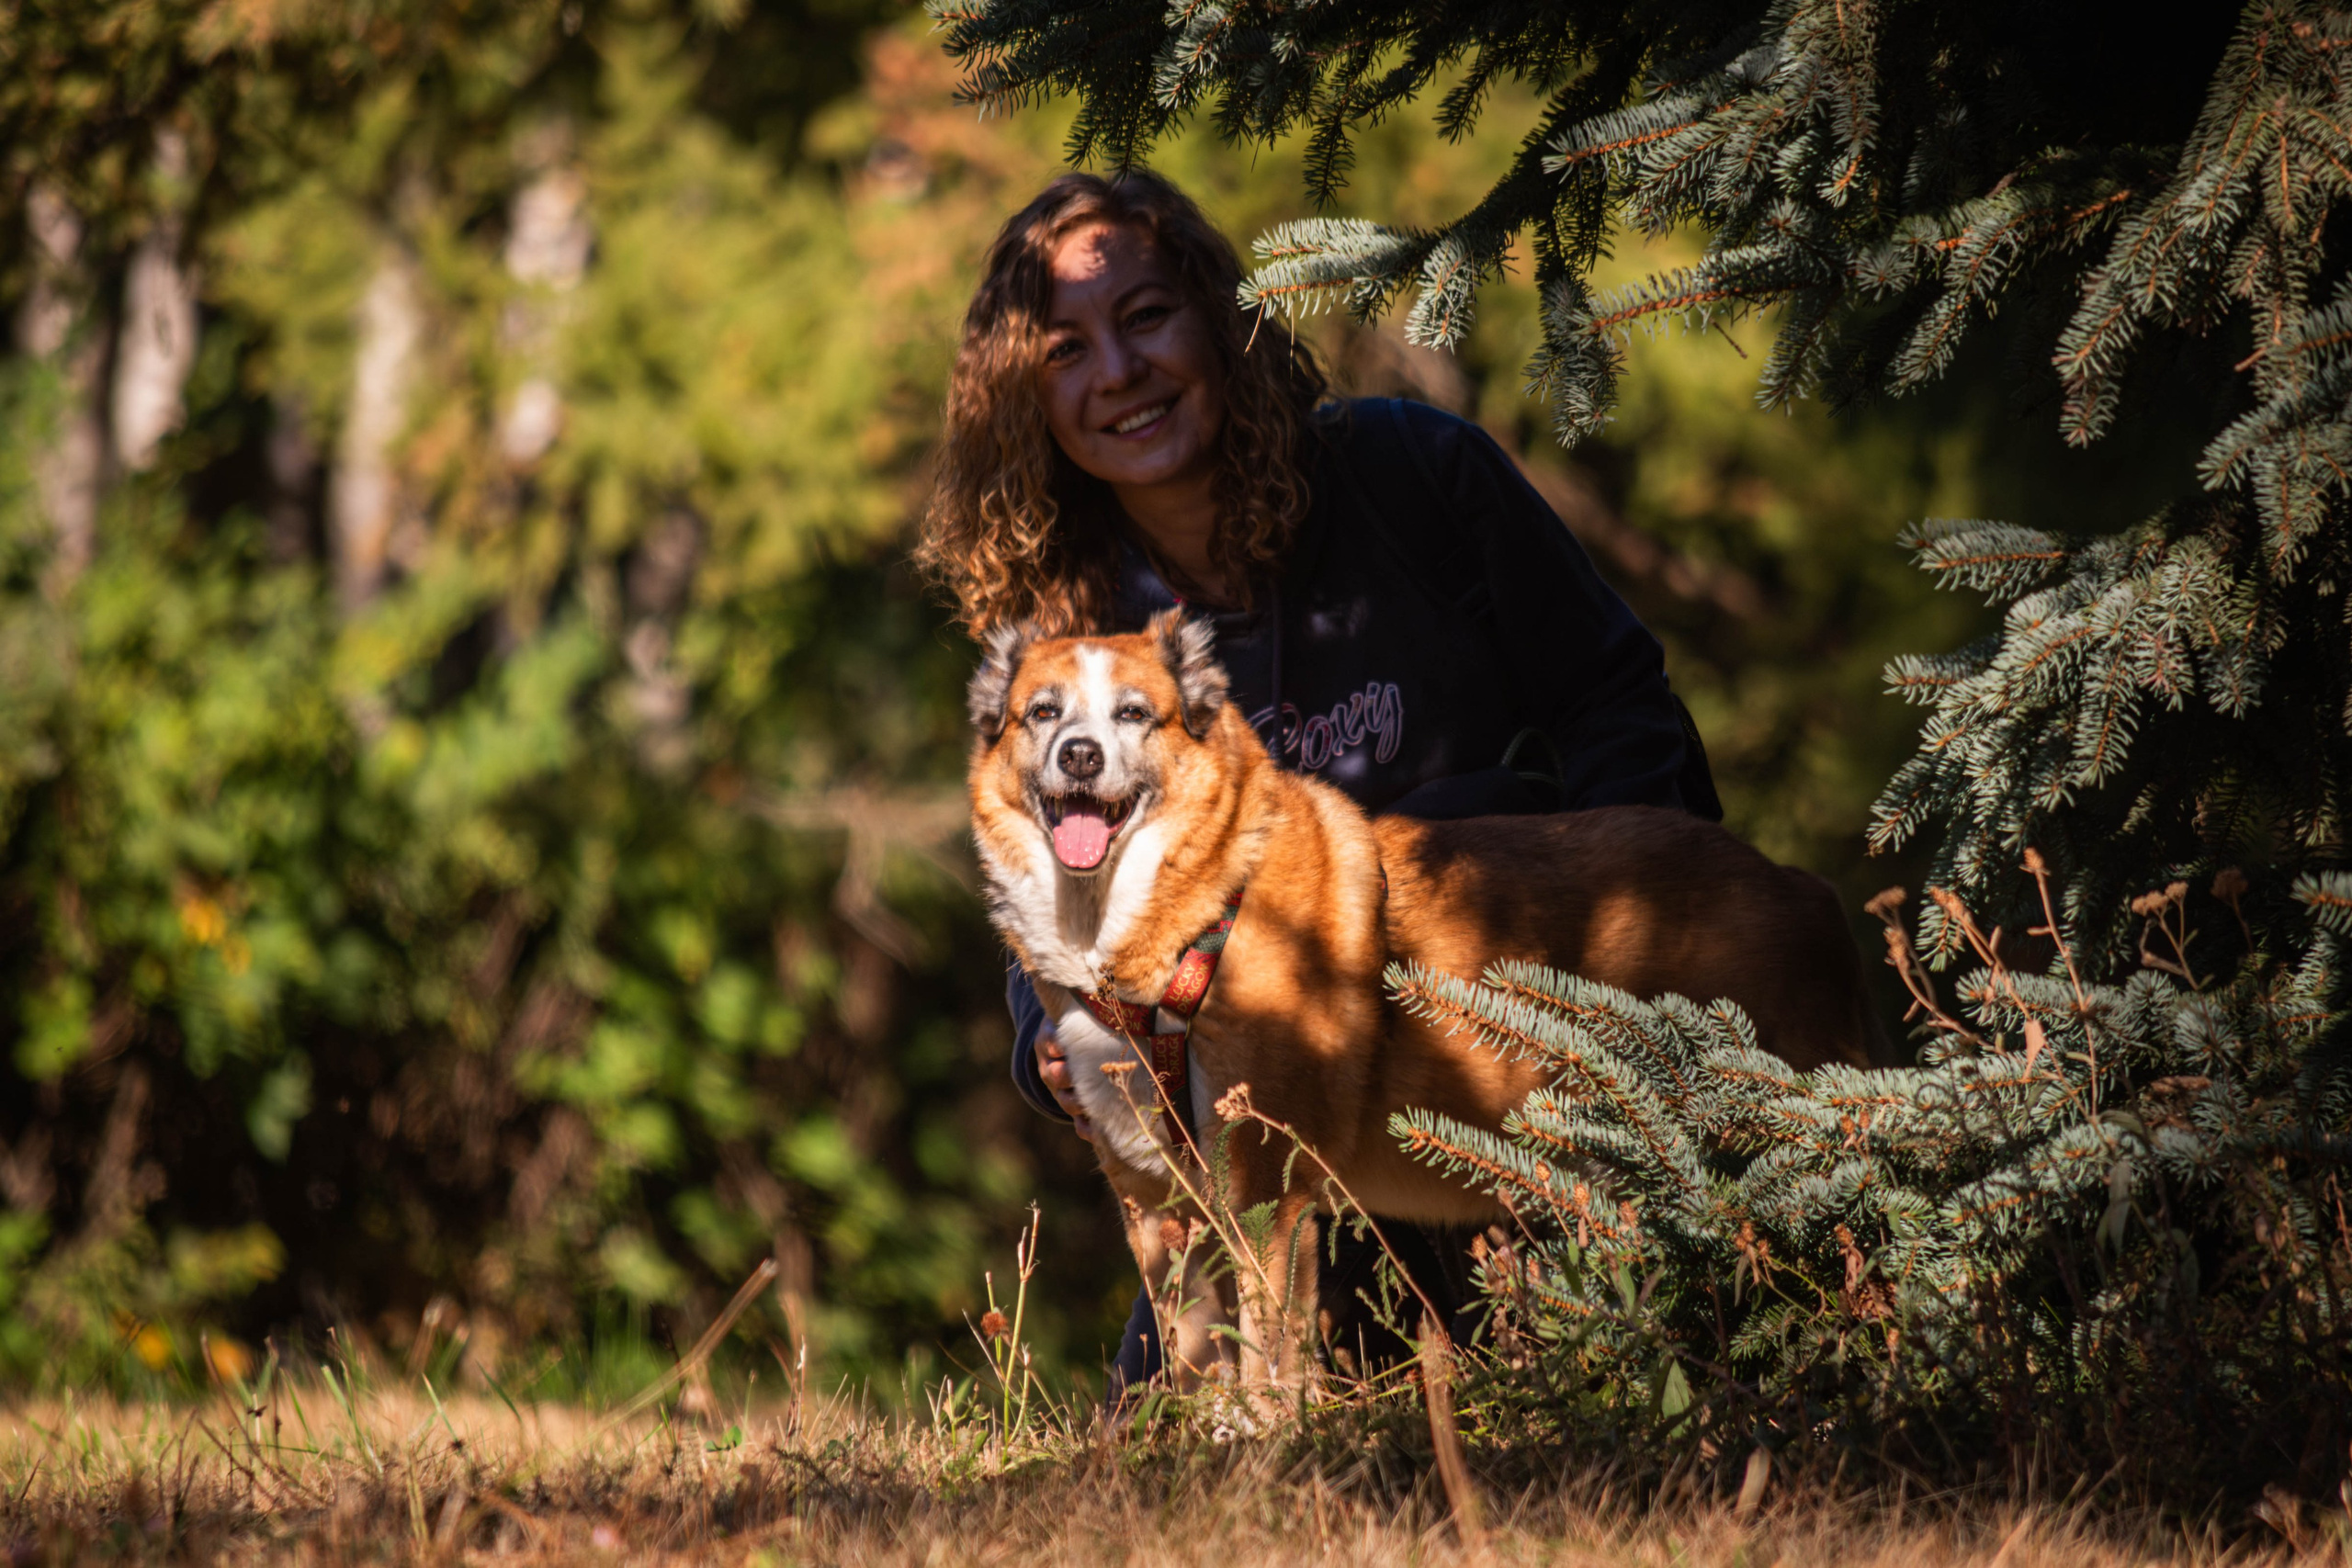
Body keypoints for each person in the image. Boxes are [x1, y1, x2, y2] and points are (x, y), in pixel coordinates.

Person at [916, 169, 1715, 1396]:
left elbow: (1623, 716)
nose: (1117, 372)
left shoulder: (1417, 477)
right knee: (1187, 1443)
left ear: (1220, 320)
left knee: (1618, 1398)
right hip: (1261, 1152)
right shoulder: (1071, 634)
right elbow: (1046, 881)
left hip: (1525, 1090)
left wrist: (1632, 982)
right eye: (1065, 349)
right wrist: (1052, 1049)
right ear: (1030, 400)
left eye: (1145, 318)